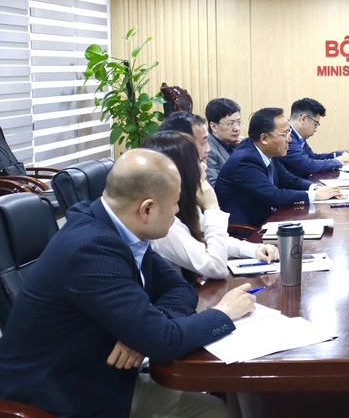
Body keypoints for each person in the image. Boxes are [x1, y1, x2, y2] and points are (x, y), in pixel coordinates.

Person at [0, 149, 257, 418]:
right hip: (60, 398)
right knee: (213, 412)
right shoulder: (91, 249)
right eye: (174, 204)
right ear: (147, 209)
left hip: (102, 378)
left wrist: (147, 330)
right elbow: (164, 341)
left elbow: (180, 288)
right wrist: (224, 313)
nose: (178, 211)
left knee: (214, 406)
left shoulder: (122, 230)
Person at [143, 131, 279, 280]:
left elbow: (213, 240)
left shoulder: (186, 205)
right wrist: (212, 208)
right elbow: (215, 267)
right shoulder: (166, 223)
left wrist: (255, 249)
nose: (204, 168)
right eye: (198, 162)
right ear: (183, 172)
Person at [214, 107, 346, 226]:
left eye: (289, 133)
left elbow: (289, 180)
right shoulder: (245, 161)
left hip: (269, 220)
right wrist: (315, 195)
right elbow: (274, 195)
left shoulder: (267, 151)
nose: (289, 139)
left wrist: (315, 187)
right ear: (264, 138)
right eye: (285, 134)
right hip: (248, 232)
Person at [280, 97, 349, 177]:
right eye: (315, 124)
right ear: (303, 119)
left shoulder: (297, 136)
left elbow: (312, 157)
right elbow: (306, 165)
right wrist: (336, 162)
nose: (316, 130)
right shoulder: (286, 135)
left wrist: (339, 154)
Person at [205, 98, 242, 185]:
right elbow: (214, 187)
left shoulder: (238, 144)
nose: (237, 128)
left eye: (238, 122)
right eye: (230, 124)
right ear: (214, 126)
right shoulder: (207, 150)